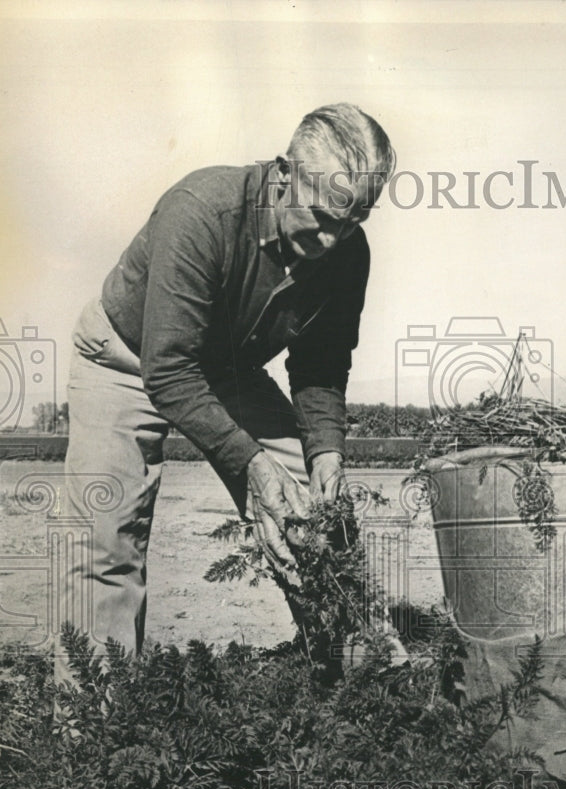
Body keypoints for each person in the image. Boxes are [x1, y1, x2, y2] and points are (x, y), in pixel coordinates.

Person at [56, 103, 400, 687]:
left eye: (351, 220)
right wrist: (254, 466)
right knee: (104, 543)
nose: (331, 238)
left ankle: (357, 691)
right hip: (127, 354)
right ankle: (94, 736)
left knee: (318, 518)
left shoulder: (346, 251)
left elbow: (320, 365)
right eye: (320, 216)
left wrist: (327, 454)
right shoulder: (204, 211)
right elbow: (168, 371)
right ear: (285, 173)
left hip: (226, 368)